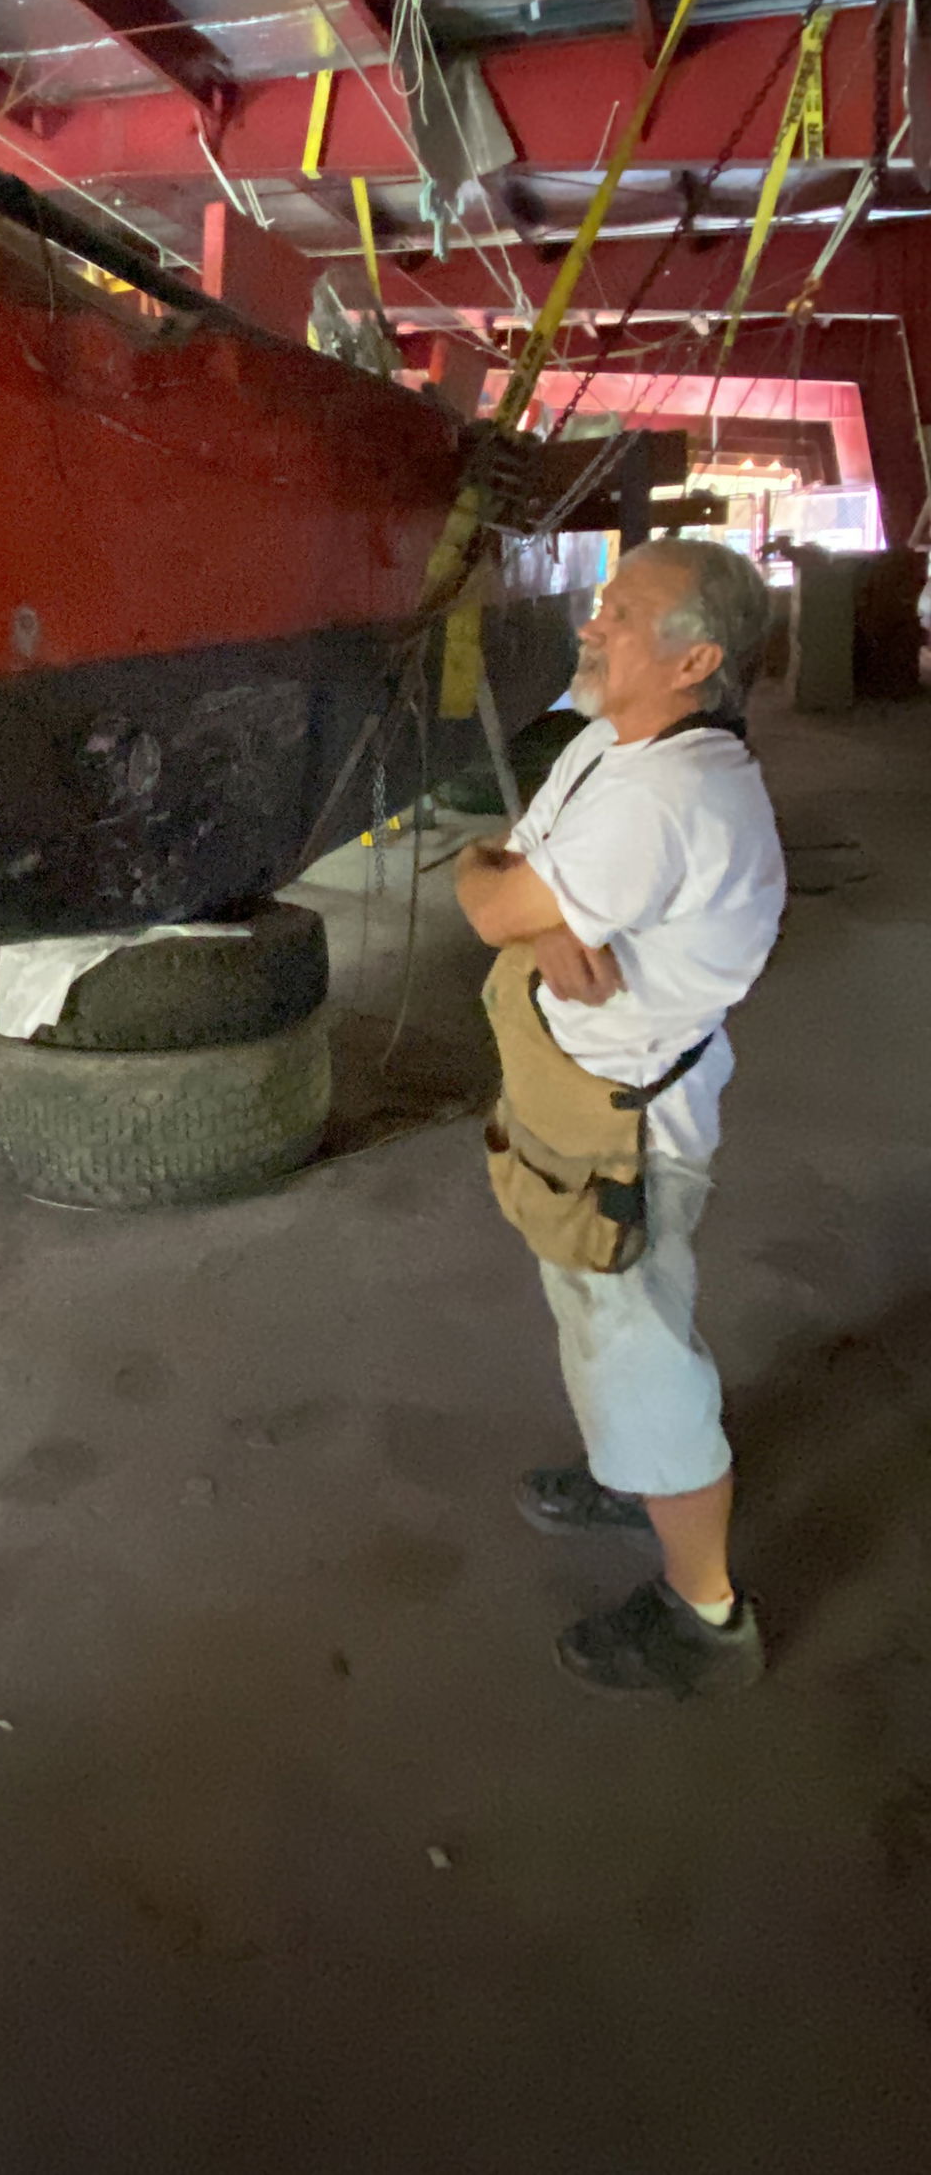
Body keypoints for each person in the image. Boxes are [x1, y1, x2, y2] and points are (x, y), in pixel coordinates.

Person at [454, 538, 785, 1698]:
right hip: (589, 1090)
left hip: (626, 1125)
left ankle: (707, 1613)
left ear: (694, 657)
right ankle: (630, 1464)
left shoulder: (663, 796)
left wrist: (511, 905)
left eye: (622, 613)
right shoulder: (612, 745)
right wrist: (527, 909)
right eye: (600, 604)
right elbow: (504, 871)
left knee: (633, 1332)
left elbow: (493, 890)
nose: (591, 625)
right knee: (603, 1303)